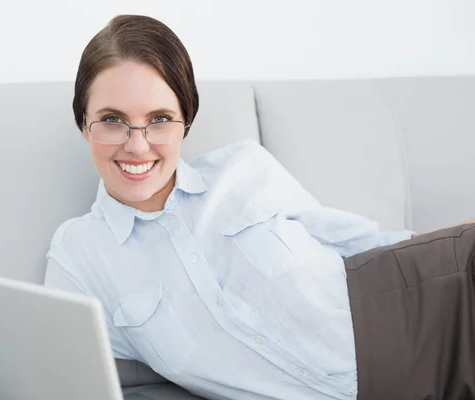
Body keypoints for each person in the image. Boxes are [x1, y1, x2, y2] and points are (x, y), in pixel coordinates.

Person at [44, 14, 475, 400]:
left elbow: (368, 244)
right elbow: (61, 381)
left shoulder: (243, 170)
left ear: (185, 122)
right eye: (113, 120)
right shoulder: (79, 255)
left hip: (421, 310)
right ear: (84, 123)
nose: (137, 145)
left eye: (159, 119)